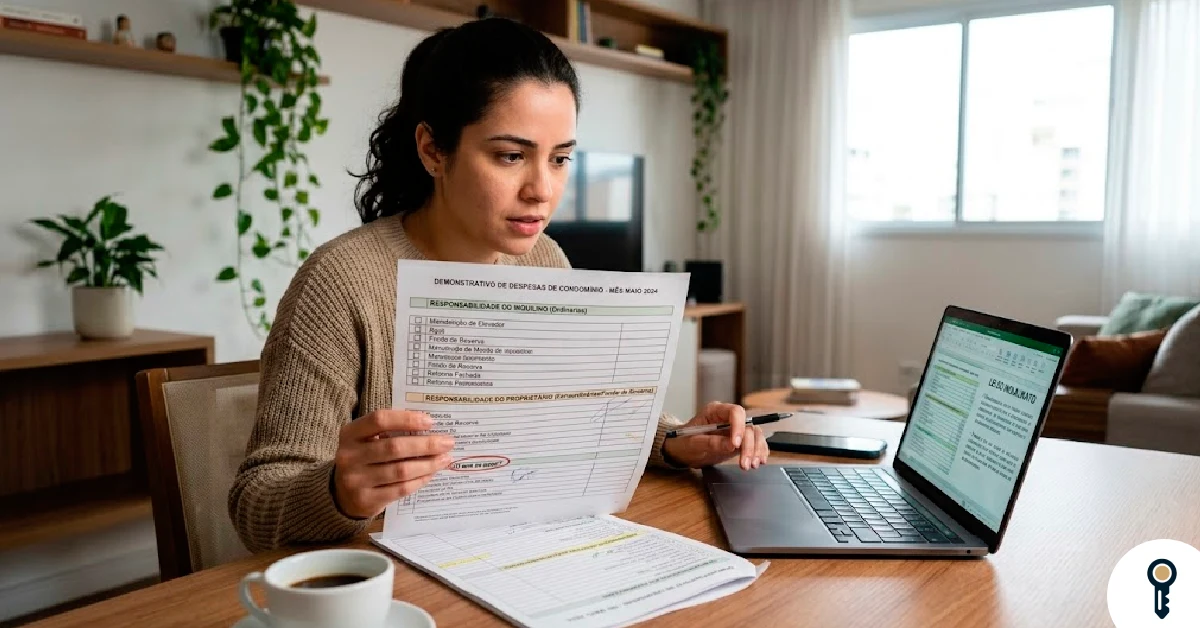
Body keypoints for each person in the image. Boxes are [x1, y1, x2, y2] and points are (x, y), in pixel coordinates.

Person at [228, 17, 769, 553]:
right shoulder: (341, 282)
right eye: (511, 156)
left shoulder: (545, 262)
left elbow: (582, 417)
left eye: (559, 159)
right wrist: (338, 492)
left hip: (522, 556)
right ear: (433, 150)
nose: (542, 190)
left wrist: (681, 441)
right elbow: (256, 505)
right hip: (388, 580)